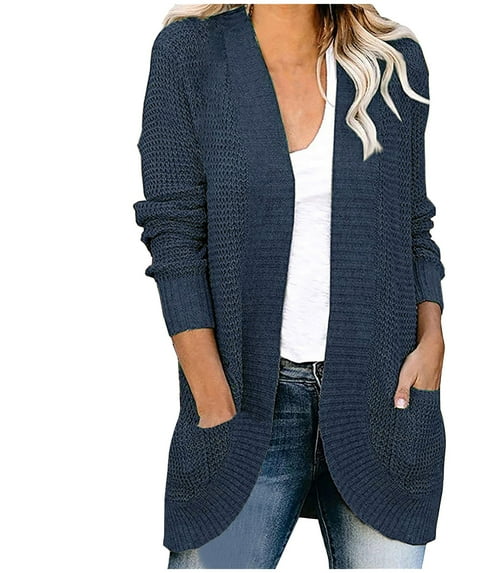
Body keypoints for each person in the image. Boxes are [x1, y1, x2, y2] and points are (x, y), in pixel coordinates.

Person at [134, 3, 447, 569]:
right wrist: (211, 396)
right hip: (243, 402)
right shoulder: (191, 53)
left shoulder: (391, 59)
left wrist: (433, 337)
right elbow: (173, 235)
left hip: (384, 398)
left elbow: (413, 221)